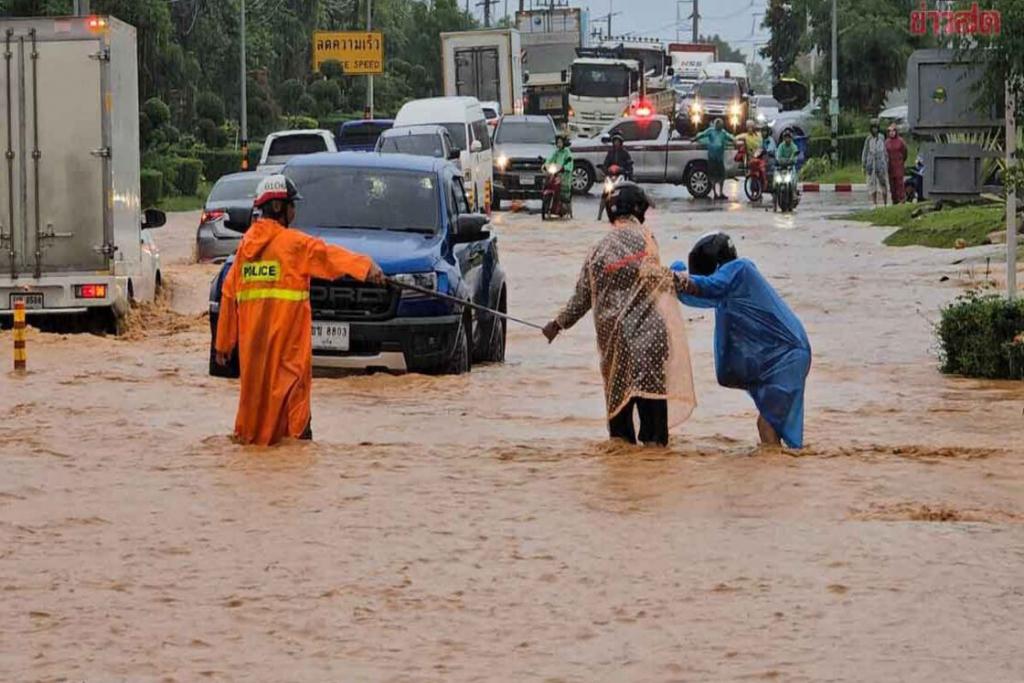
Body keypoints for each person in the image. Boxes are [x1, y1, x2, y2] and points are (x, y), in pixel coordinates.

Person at [214, 174, 384, 446]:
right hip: (289, 358)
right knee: (296, 435)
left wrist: (224, 344)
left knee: (253, 429)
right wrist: (366, 268)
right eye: (292, 204)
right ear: (279, 207)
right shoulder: (294, 245)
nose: (295, 210)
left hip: (253, 358)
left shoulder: (244, 250)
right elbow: (328, 256)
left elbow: (227, 294)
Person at [542, 182, 696, 446]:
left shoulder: (596, 250)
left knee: (620, 431)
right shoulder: (645, 237)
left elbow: (581, 299)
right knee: (654, 433)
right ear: (637, 210)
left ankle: (622, 474)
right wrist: (685, 282)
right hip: (650, 342)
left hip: (615, 346)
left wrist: (557, 324)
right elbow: (653, 275)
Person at [673, 232, 811, 448]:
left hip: (787, 357)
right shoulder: (733, 286)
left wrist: (682, 279)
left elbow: (709, 286)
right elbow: (697, 293)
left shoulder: (740, 270)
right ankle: (783, 470)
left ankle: (777, 473)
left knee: (767, 423)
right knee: (769, 424)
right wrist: (674, 275)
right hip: (782, 358)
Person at [695, 118, 735, 200]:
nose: (719, 126)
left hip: (719, 158)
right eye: (718, 124)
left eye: (721, 124)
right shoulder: (711, 131)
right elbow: (702, 135)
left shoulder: (723, 133)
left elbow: (730, 137)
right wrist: (694, 139)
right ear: (716, 124)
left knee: (721, 176)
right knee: (713, 176)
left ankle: (720, 193)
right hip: (712, 157)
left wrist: (735, 141)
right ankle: (715, 193)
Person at [862, 119, 889, 206]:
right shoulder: (868, 139)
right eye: (873, 128)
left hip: (880, 163)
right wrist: (864, 164)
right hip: (871, 163)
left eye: (876, 128)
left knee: (883, 183)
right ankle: (875, 203)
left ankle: (885, 202)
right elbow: (865, 152)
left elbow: (884, 150)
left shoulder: (881, 137)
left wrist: (886, 161)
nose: (875, 130)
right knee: (872, 184)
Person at [545, 133, 575, 208]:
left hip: (564, 174)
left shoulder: (567, 152)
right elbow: (550, 159)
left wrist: (565, 167)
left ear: (564, 143)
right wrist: (546, 165)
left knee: (563, 189)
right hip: (556, 172)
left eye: (560, 142)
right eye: (557, 142)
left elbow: (570, 162)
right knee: (548, 182)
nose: (558, 144)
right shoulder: (556, 152)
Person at [885, 123, 908, 204]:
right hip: (890, 167)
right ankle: (894, 200)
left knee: (899, 183)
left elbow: (905, 152)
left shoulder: (901, 141)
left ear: (896, 132)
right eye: (890, 131)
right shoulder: (887, 142)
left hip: (899, 165)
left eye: (893, 131)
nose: (891, 133)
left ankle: (902, 200)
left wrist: (901, 160)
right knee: (892, 185)